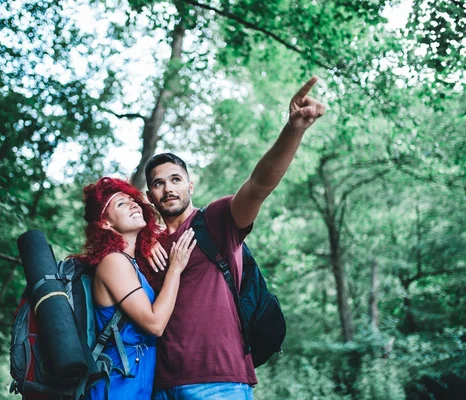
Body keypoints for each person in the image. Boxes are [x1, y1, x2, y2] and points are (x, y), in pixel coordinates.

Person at [144, 77, 326, 399]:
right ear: (150, 194)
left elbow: (258, 184)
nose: (168, 188)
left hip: (220, 382)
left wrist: (293, 129)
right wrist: (146, 240)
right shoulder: (147, 245)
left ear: (190, 187)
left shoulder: (215, 220)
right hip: (159, 385)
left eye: (176, 179)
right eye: (159, 183)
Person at [81, 177, 197, 399]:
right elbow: (154, 325)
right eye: (121, 204)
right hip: (116, 386)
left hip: (137, 384)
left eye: (132, 200)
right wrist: (175, 268)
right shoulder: (113, 262)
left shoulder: (131, 262)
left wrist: (151, 239)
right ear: (105, 223)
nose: (133, 204)